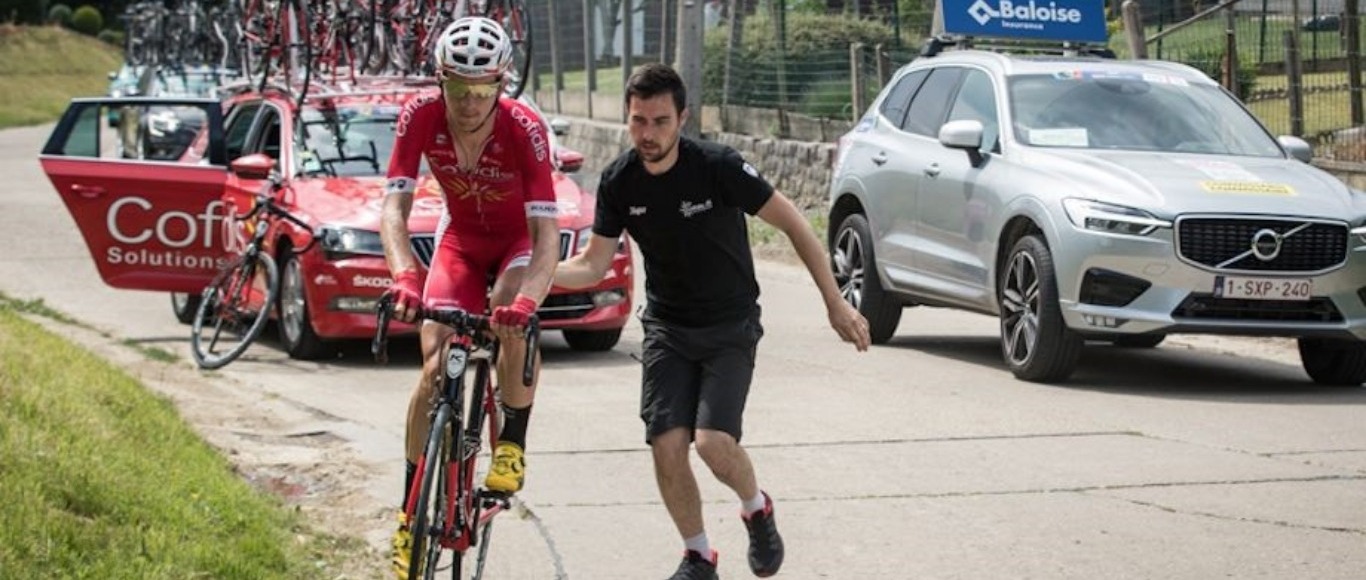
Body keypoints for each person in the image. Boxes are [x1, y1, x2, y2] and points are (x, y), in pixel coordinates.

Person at [555, 63, 871, 579]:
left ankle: (755, 508)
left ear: (682, 118)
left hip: (729, 325)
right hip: (667, 329)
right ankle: (698, 555)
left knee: (713, 442)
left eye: (659, 121)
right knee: (667, 445)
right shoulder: (619, 181)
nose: (648, 134)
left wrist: (835, 303)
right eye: (638, 121)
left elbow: (794, 224)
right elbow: (593, 263)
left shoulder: (718, 167)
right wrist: (535, 274)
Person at [379, 16, 559, 579]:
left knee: (508, 306)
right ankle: (410, 516)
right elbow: (394, 209)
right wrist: (405, 274)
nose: (469, 102)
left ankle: (512, 443)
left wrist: (528, 302)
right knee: (433, 366)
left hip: (516, 244)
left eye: (482, 91)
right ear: (441, 82)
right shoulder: (420, 118)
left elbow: (548, 236)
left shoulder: (524, 128)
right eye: (458, 89)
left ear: (502, 85)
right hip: (459, 241)